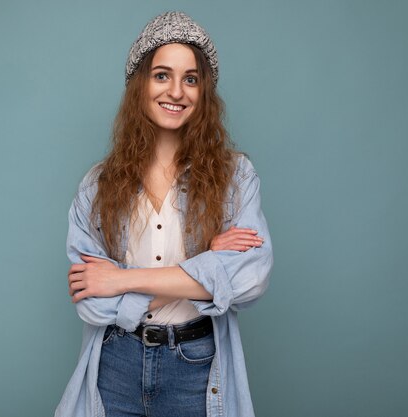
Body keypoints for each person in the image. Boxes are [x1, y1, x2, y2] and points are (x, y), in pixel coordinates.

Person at [55, 11, 273, 417]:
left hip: (196, 368)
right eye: (161, 75)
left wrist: (120, 280)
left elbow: (250, 278)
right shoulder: (97, 185)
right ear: (139, 84)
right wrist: (206, 270)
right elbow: (92, 302)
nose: (176, 91)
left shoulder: (236, 177)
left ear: (203, 92)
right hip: (115, 365)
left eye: (190, 79)